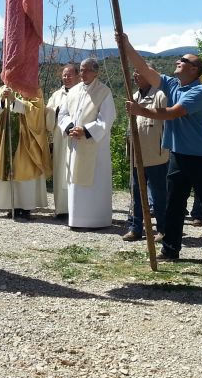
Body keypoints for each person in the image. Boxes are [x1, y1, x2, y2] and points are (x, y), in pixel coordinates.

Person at [118, 35, 202, 273]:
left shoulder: (199, 92)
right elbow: (144, 69)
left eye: (183, 60)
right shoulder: (173, 84)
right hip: (177, 154)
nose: (177, 61)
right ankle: (171, 248)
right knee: (173, 205)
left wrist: (140, 110)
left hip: (200, 157)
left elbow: (172, 112)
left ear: (194, 69)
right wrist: (126, 46)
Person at [57, 58, 115, 229]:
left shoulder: (104, 92)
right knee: (76, 181)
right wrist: (70, 128)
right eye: (81, 70)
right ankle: (76, 218)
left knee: (94, 181)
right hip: (75, 143)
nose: (82, 73)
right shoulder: (73, 91)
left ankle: (97, 220)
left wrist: (86, 130)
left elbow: (107, 119)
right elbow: (63, 114)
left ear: (96, 72)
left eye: (87, 70)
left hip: (94, 147)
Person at [122, 69, 170, 242]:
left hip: (156, 154)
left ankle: (163, 230)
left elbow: (167, 121)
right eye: (133, 73)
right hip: (137, 154)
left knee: (158, 194)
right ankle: (136, 228)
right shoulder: (134, 95)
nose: (135, 76)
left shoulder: (160, 95)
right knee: (136, 192)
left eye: (139, 73)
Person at [0, 83, 50, 218]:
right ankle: (12, 206)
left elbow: (36, 111)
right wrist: (3, 100)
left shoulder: (33, 87)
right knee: (9, 170)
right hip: (7, 136)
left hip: (26, 138)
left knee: (25, 170)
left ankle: (26, 207)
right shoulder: (4, 88)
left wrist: (15, 101)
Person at [46, 63, 79, 217]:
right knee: (60, 171)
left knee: (76, 171)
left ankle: (77, 208)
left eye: (70, 74)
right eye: (64, 75)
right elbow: (48, 116)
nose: (67, 78)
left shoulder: (82, 92)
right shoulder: (56, 95)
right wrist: (55, 112)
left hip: (78, 138)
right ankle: (61, 209)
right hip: (60, 138)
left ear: (77, 76)